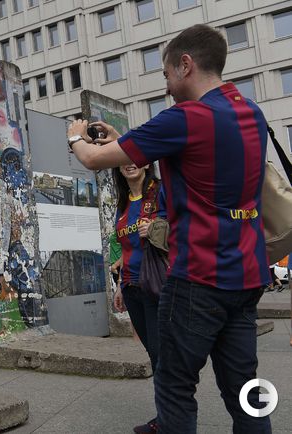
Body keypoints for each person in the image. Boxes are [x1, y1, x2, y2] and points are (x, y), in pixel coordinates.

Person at [65, 24, 271, 433]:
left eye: (166, 75)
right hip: (248, 274)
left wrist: (75, 136)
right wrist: (122, 138)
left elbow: (91, 159)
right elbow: (191, 155)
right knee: (245, 389)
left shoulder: (187, 118)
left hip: (198, 278)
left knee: (175, 386)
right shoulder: (251, 112)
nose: (166, 86)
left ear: (185, 65)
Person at [111, 162, 166, 433]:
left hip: (156, 285)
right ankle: (166, 416)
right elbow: (127, 249)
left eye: (135, 157)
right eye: (123, 159)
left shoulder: (159, 193)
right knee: (154, 355)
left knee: (161, 354)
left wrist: (156, 228)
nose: (130, 163)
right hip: (132, 287)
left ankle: (170, 419)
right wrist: (120, 286)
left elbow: (182, 229)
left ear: (146, 162)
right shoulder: (123, 203)